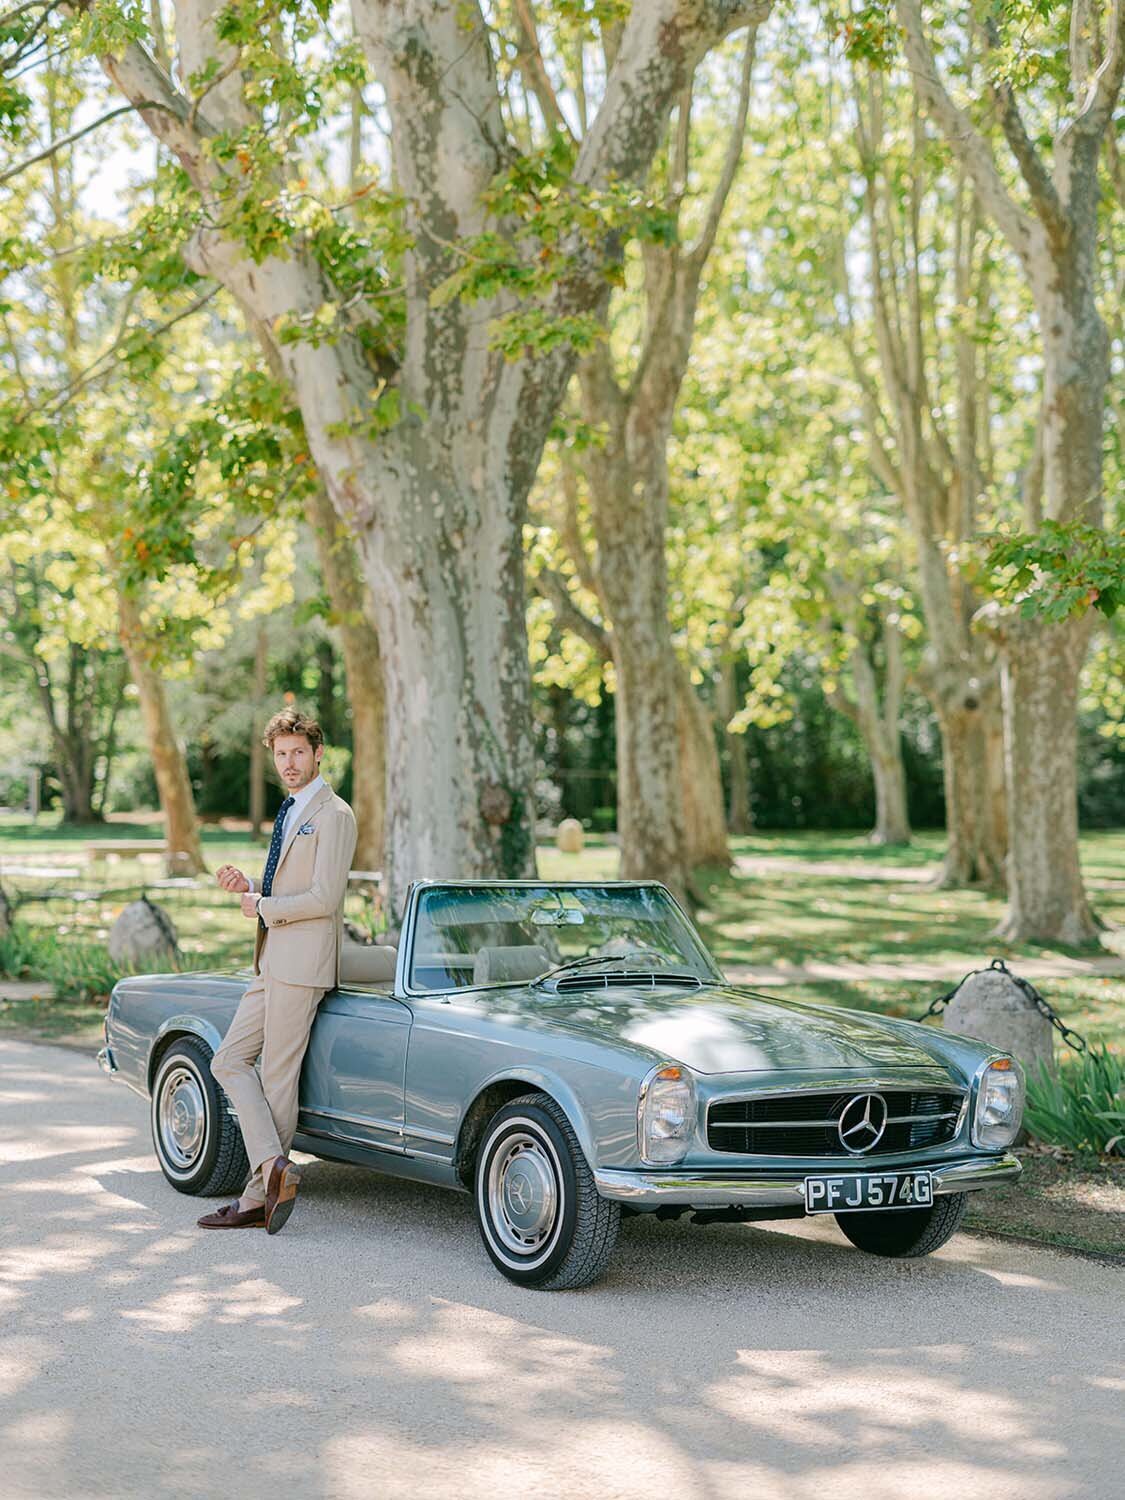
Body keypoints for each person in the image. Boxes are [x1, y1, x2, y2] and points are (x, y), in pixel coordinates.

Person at [198, 708, 357, 1234]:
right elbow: (286, 885)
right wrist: (250, 887)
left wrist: (263, 905)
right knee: (228, 1060)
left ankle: (255, 1197)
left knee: (277, 1079)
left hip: (303, 962)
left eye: (297, 753)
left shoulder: (334, 815)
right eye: (280, 754)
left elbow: (325, 898)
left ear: (318, 754)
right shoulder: (291, 809)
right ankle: (274, 1168)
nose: (288, 762)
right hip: (272, 959)